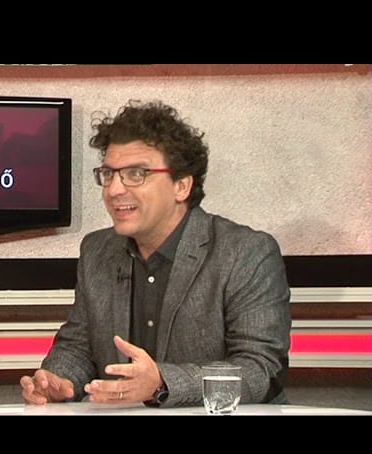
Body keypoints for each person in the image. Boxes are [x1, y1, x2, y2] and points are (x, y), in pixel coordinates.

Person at [20, 99, 291, 408]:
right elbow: (78, 346)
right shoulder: (97, 251)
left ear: (181, 186)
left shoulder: (245, 253)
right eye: (108, 174)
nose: (114, 190)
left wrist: (162, 383)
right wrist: (58, 381)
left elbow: (260, 370)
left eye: (136, 174)